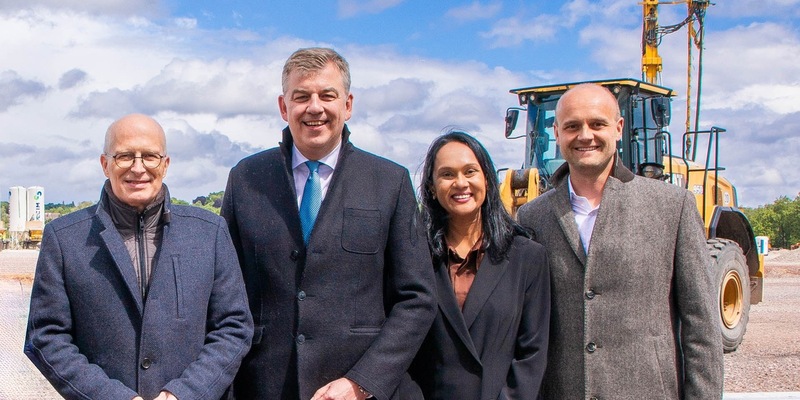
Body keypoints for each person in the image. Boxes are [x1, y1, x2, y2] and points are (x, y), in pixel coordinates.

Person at [221, 47, 436, 400]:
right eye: (301, 96)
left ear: (348, 105)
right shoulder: (246, 179)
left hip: (359, 389)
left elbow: (417, 299)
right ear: (283, 106)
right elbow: (226, 291)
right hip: (265, 386)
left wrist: (363, 382)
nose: (315, 107)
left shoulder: (389, 182)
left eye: (327, 95)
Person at [24, 114, 253, 400]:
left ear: (165, 165)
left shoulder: (209, 232)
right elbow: (46, 337)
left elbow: (234, 328)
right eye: (124, 156)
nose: (138, 167)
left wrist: (182, 393)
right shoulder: (64, 238)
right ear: (105, 164)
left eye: (149, 156)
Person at [516, 83, 724, 399]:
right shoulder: (533, 216)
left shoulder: (671, 206)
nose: (585, 135)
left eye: (597, 124)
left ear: (618, 128)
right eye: (572, 126)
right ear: (556, 133)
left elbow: (701, 326)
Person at [409, 131, 550, 399]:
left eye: (470, 171)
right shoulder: (414, 257)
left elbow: (532, 353)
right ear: (431, 187)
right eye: (447, 174)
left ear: (487, 178)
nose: (460, 183)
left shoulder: (527, 258)